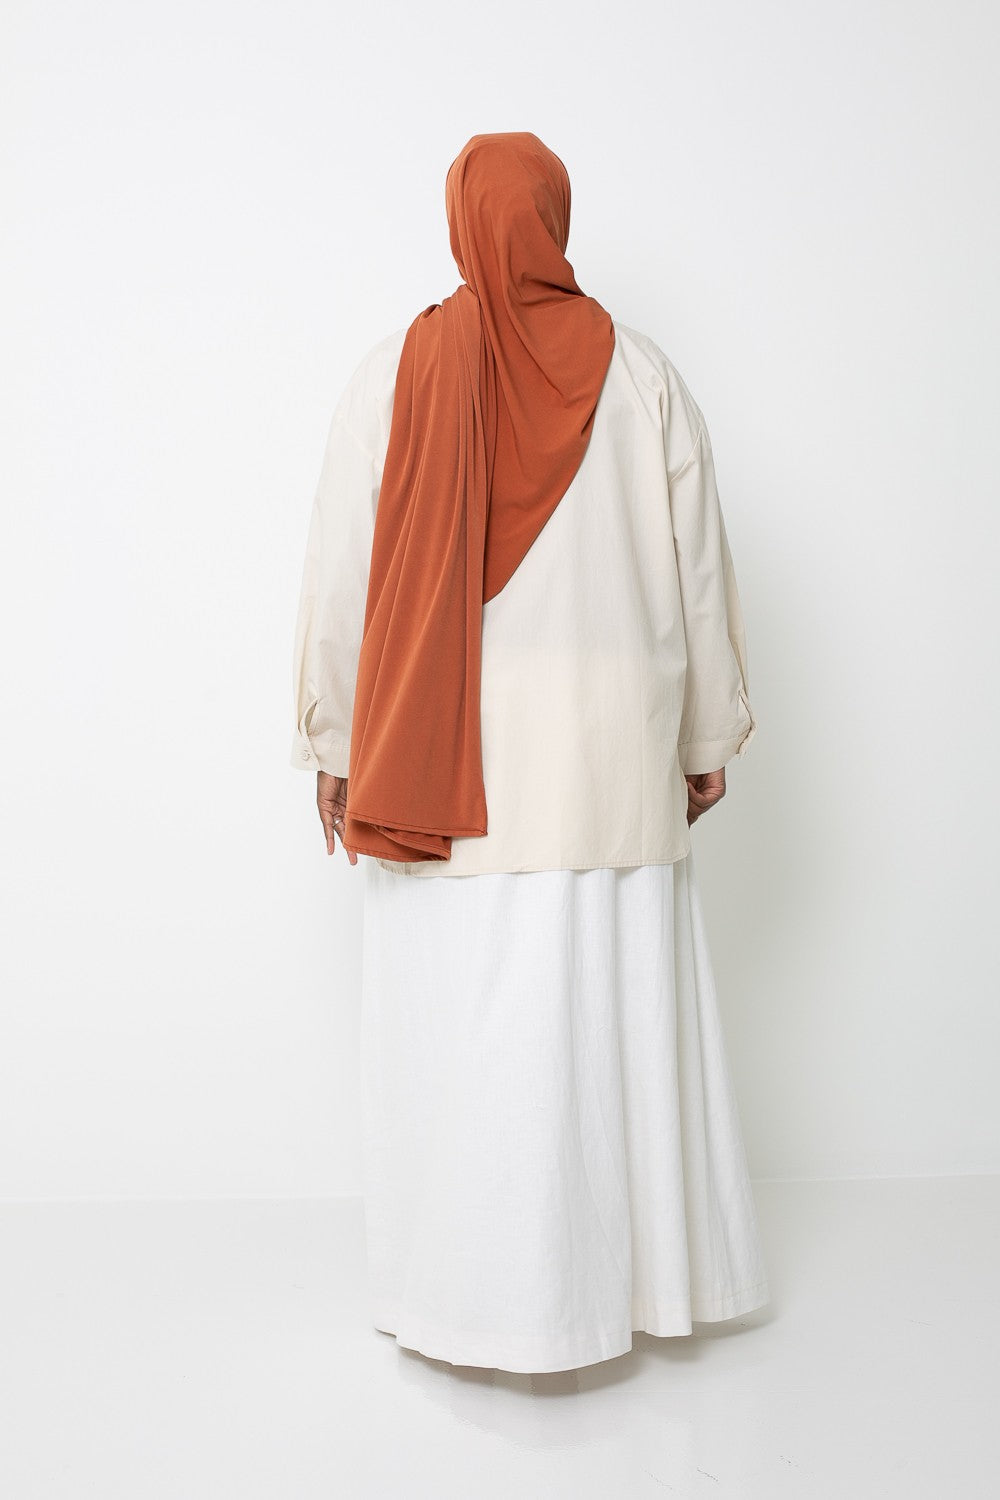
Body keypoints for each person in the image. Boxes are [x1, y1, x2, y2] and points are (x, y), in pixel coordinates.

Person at [290, 132, 769, 1374]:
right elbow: (698, 563)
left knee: (466, 1038)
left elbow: (343, 571)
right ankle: (627, 1294)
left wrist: (335, 740)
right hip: (610, 770)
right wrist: (704, 730)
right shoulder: (643, 374)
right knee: (611, 1033)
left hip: (447, 768)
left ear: (459, 219)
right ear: (554, 217)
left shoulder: (394, 374)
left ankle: (465, 1301)